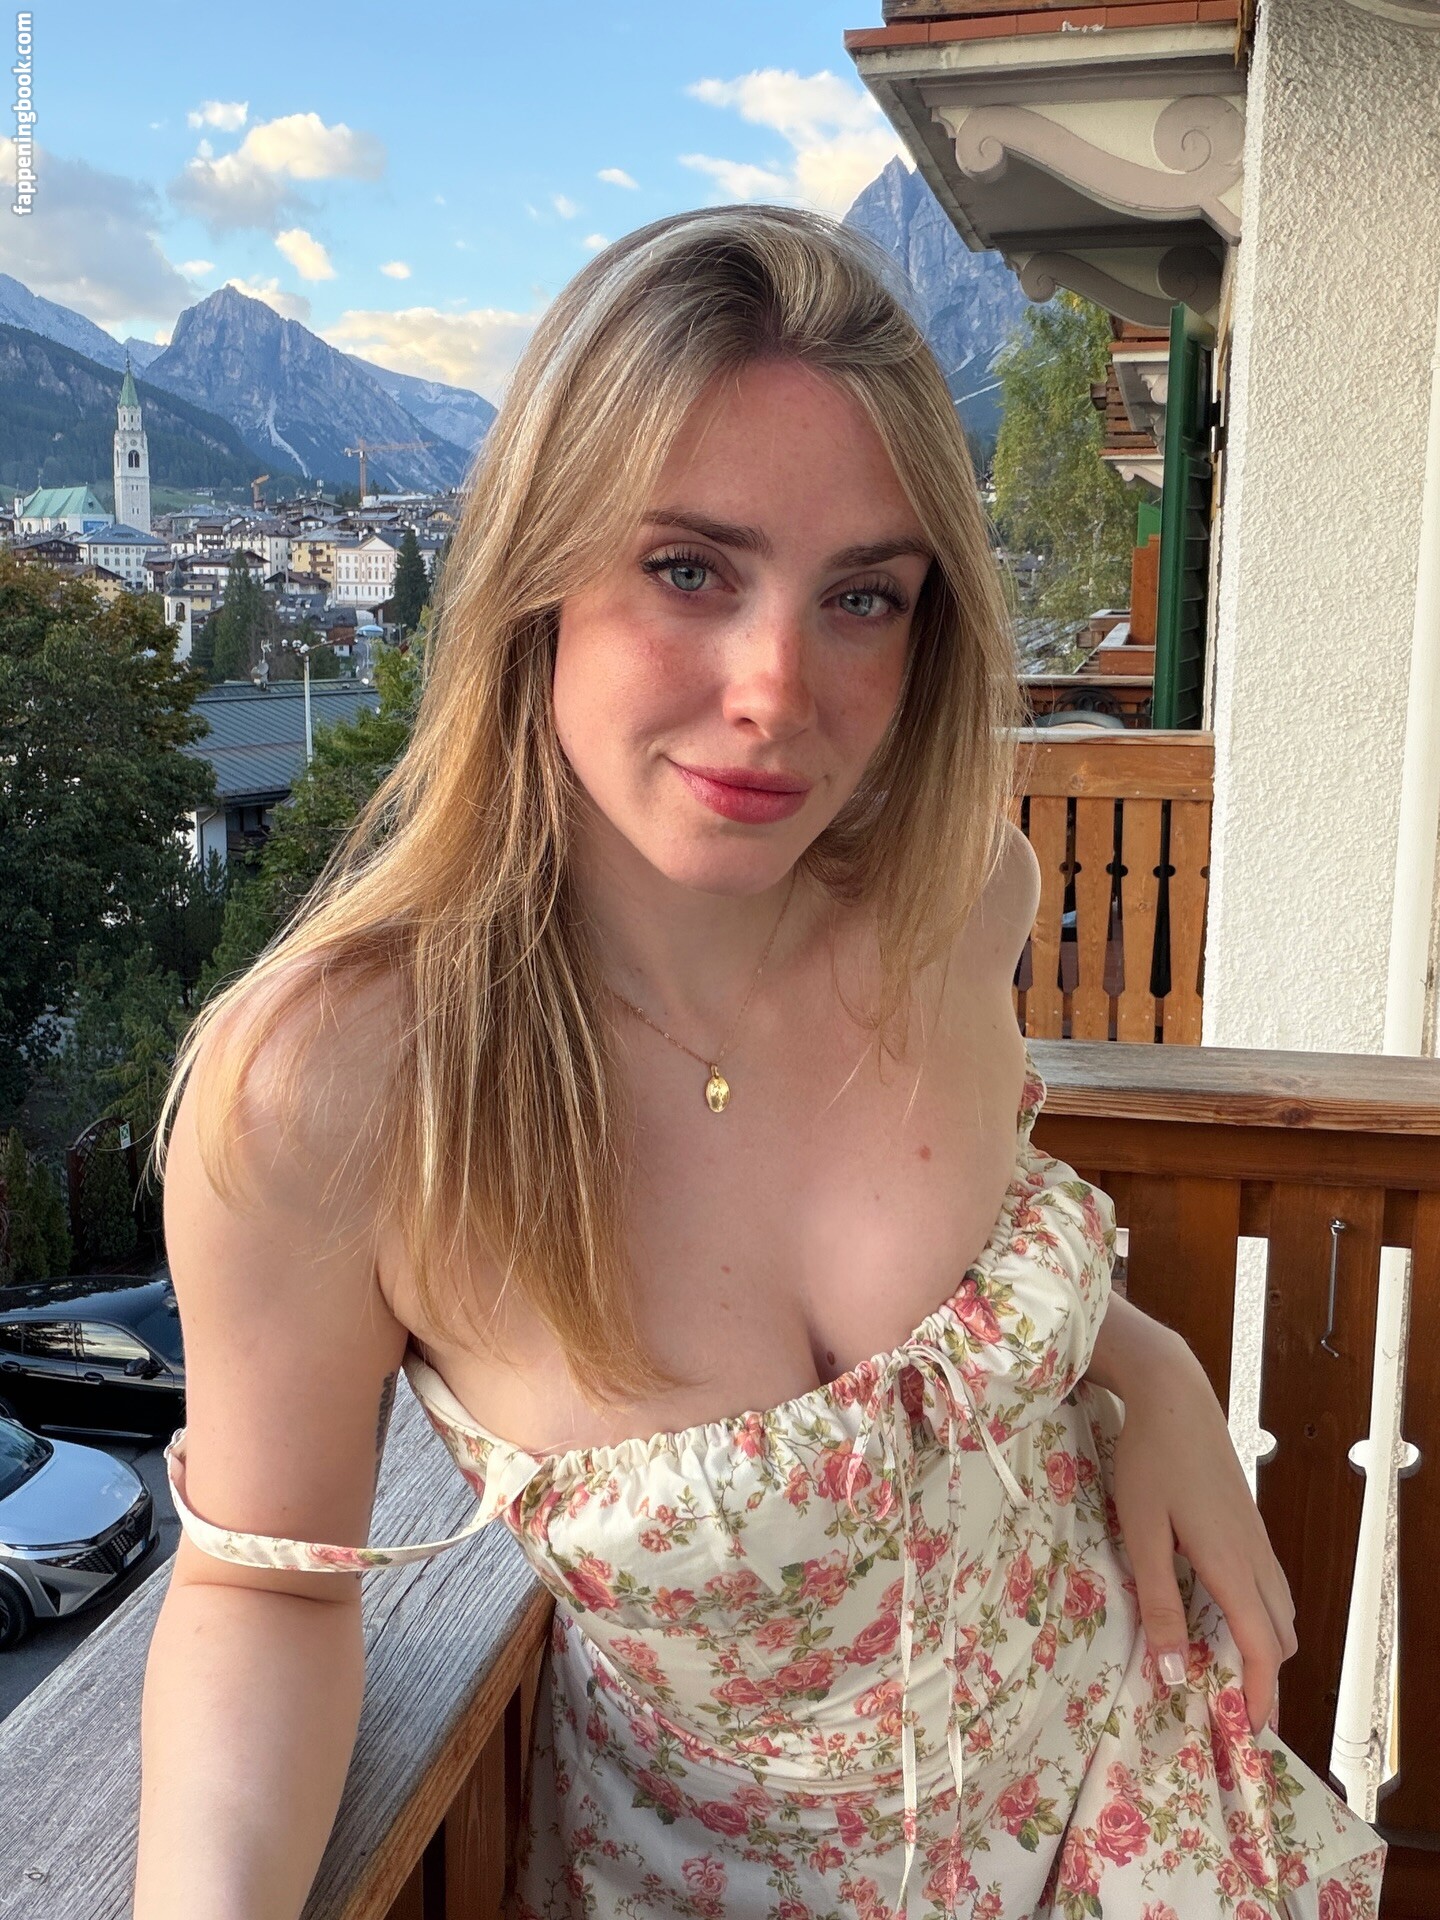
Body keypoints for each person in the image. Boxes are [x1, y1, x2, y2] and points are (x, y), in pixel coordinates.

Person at [133, 207, 1386, 1919]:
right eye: (690, 569)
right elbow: (267, 1590)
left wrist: (1134, 1357)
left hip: (1148, 1810)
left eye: (862, 596)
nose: (777, 691)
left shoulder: (961, 899)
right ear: (536, 575)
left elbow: (979, 1240)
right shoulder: (334, 1094)